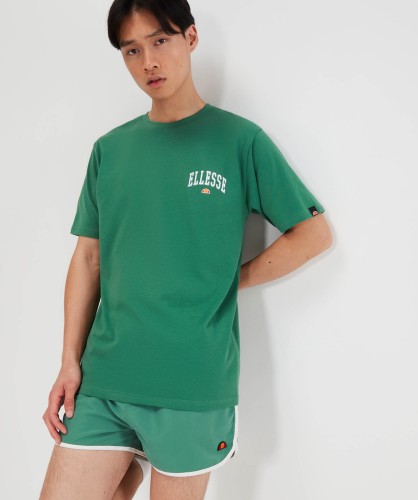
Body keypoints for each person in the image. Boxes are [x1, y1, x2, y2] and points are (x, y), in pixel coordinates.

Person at [39, 0, 333, 498]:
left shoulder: (239, 141)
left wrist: (229, 280)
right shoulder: (110, 150)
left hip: (191, 385)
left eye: (160, 41)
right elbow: (88, 259)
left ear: (190, 38)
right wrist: (69, 361)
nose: (148, 62)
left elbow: (313, 234)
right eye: (132, 50)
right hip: (104, 379)